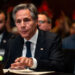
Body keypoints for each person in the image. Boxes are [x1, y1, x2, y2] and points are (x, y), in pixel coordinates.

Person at [5, 3, 64, 72]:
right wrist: (12, 68)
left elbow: (58, 65)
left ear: (36, 21)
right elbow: (5, 67)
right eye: (18, 21)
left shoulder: (51, 39)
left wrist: (33, 63)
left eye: (26, 20)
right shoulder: (13, 42)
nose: (22, 25)